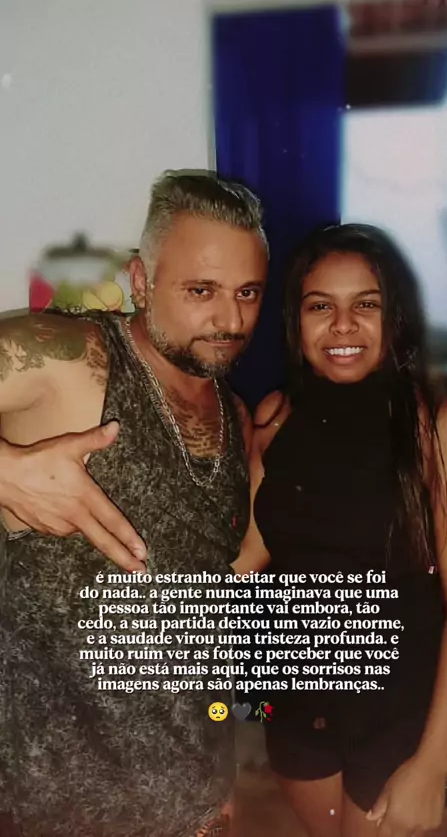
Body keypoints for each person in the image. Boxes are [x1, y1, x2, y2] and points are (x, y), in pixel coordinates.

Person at [0, 171, 268, 837]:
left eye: (247, 293)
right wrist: (6, 470)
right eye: (201, 291)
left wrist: (220, 770)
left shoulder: (235, 415)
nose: (231, 321)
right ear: (141, 281)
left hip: (187, 800)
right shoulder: (68, 361)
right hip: (50, 808)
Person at [236, 224, 447, 837]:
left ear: (393, 316)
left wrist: (434, 764)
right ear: (296, 321)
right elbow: (250, 558)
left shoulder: (438, 427)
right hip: (301, 707)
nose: (342, 326)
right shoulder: (274, 417)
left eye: (365, 305)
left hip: (408, 714)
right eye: (321, 306)